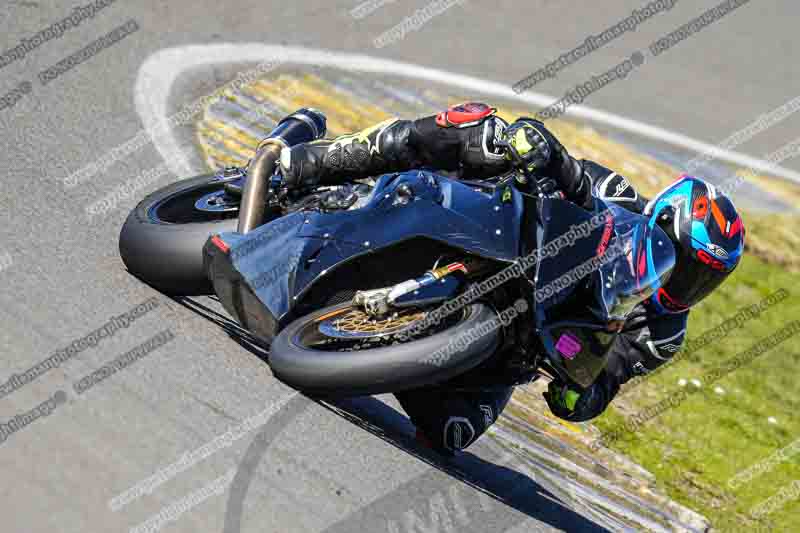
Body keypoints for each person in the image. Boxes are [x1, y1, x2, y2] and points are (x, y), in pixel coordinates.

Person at [271, 102, 745, 455]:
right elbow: (570, 180)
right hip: (495, 231)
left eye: (705, 278)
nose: (687, 282)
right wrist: (543, 152)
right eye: (687, 264)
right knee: (476, 128)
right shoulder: (616, 195)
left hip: (520, 340)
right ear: (660, 221)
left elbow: (607, 379)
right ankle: (313, 162)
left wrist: (581, 397)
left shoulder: (662, 334)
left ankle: (376, 338)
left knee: (451, 434)